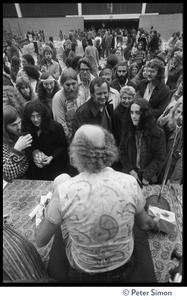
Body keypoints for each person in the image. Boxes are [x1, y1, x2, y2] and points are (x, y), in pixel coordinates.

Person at [35, 124, 160, 283]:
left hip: (82, 267)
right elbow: (144, 225)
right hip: (124, 264)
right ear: (109, 149)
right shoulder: (130, 183)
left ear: (75, 153)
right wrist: (155, 223)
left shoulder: (64, 190)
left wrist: (52, 207)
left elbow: (40, 240)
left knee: (62, 186)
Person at [119, 98, 166, 186]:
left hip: (149, 177)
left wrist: (147, 176)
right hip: (130, 174)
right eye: (131, 112)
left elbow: (160, 157)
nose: (133, 116)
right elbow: (122, 152)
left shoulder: (158, 133)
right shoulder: (128, 129)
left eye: (137, 113)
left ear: (145, 114)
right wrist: (131, 171)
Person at [21, 99, 69, 180]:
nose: (35, 119)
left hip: (56, 167)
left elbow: (63, 146)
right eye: (32, 116)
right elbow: (27, 149)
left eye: (38, 116)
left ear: (43, 115)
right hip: (37, 171)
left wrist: (52, 157)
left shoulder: (56, 127)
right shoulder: (27, 129)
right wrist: (34, 154)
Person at [52, 68, 85, 143]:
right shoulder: (58, 98)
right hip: (66, 139)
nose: (71, 88)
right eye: (68, 85)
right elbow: (61, 124)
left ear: (77, 83)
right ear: (62, 85)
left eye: (73, 84)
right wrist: (71, 139)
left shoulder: (80, 94)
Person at [3, 105, 33, 182]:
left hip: (26, 178)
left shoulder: (18, 132)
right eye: (13, 125)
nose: (19, 127)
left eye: (19, 122)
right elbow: (7, 176)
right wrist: (17, 149)